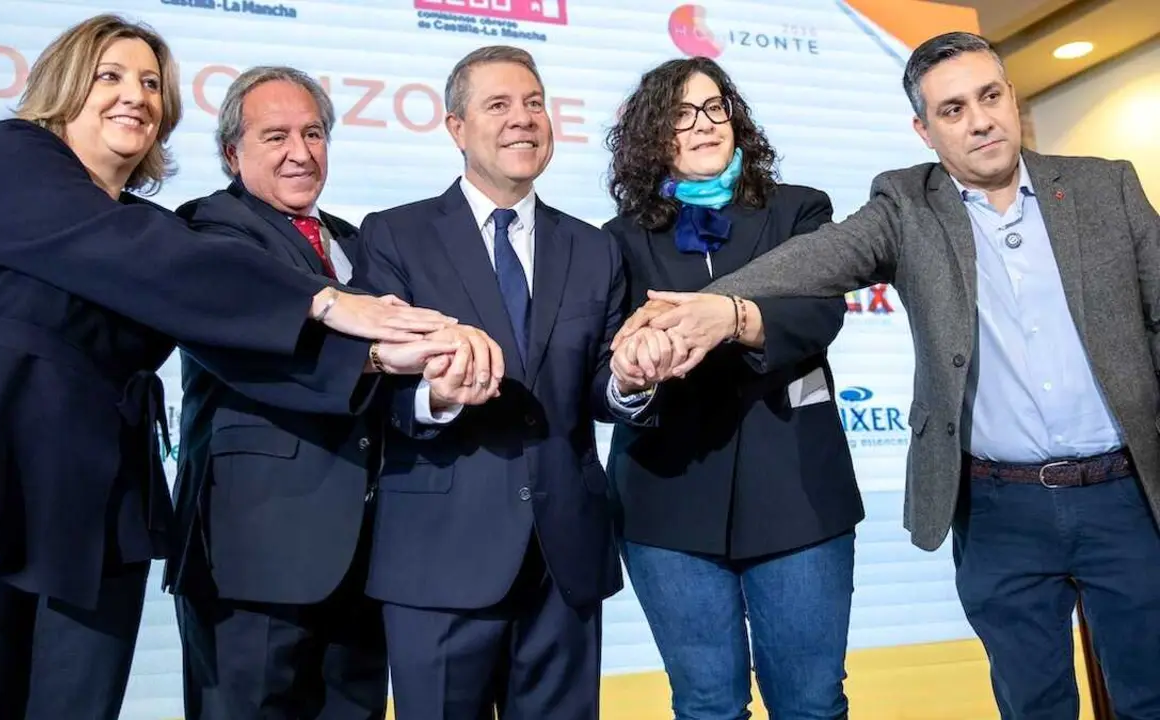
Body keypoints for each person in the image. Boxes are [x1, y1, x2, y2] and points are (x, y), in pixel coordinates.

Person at [0, 15, 456, 720]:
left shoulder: (156, 226)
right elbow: (144, 257)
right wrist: (329, 303)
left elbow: (224, 316)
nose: (137, 95)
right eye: (111, 76)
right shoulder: (12, 156)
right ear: (65, 87)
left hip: (97, 514)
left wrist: (381, 351)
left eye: (151, 83)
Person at [616, 31, 1160, 718]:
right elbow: (819, 261)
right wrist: (718, 310)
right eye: (953, 109)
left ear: (1012, 99)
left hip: (1124, 494)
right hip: (998, 506)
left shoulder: (1104, 185)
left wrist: (727, 310)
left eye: (990, 97)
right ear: (923, 129)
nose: (980, 120)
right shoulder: (906, 204)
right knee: (1033, 703)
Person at [165, 65, 500, 720]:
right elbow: (266, 339)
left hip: (369, 557)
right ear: (233, 152)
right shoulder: (211, 232)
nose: (300, 152)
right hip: (253, 560)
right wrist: (377, 354)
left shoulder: (356, 242)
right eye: (276, 136)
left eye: (313, 133)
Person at [350, 45, 656, 720]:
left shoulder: (594, 246)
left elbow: (603, 384)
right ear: (456, 127)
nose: (523, 119)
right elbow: (367, 382)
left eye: (534, 103)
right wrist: (435, 397)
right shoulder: (394, 237)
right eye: (499, 105)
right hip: (438, 560)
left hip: (563, 561)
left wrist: (632, 380)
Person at [601, 56, 860, 720]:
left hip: (800, 495)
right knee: (707, 704)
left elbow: (819, 312)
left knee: (812, 703)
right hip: (666, 504)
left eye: (716, 107)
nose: (705, 125)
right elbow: (608, 367)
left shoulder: (799, 210)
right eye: (682, 114)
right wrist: (633, 367)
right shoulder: (614, 242)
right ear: (654, 133)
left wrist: (735, 318)